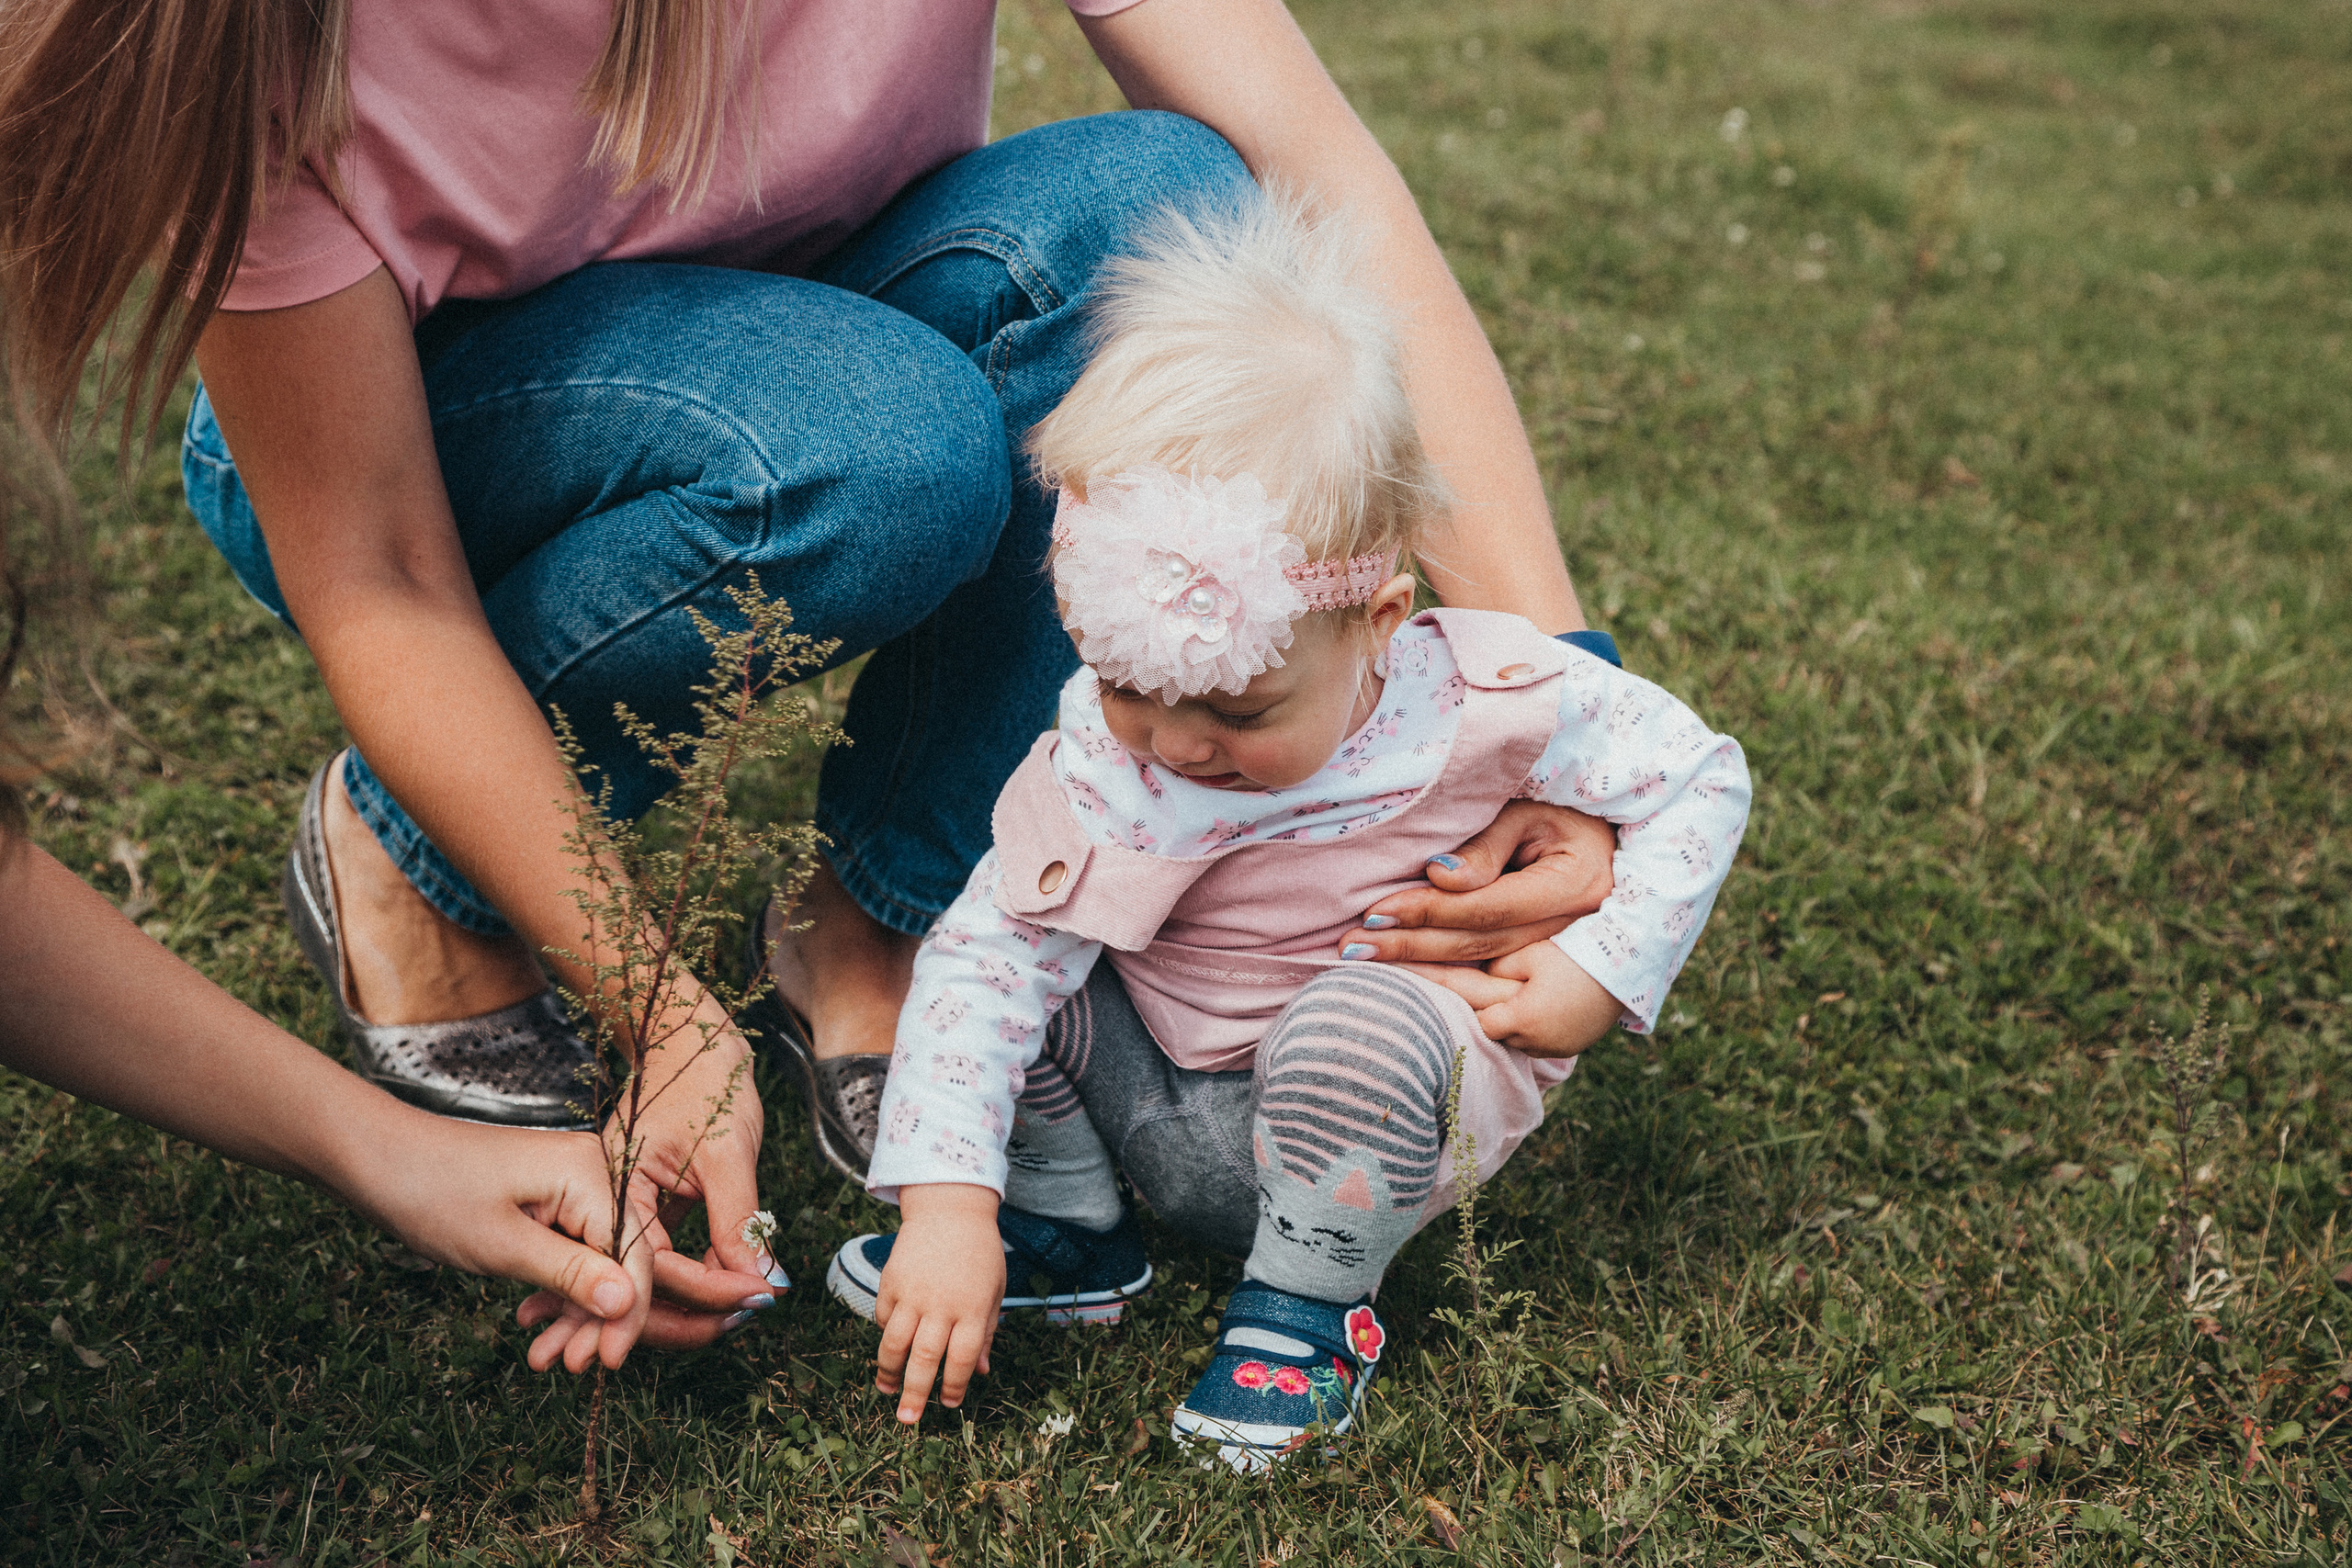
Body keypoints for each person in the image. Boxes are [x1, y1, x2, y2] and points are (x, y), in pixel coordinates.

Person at [1, 0, 1619, 1327]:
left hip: (831, 319)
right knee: (877, 451)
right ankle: (409, 850)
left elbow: (1318, 186)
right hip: (397, 425)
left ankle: (882, 918)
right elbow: (384, 579)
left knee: (1174, 204)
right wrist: (657, 1006)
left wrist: (1556, 712)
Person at [822, 194, 1752, 1470]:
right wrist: (948, 1206)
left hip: (1372, 1104)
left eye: (1239, 708)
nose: (1174, 743)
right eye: (1124, 682)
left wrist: (1603, 969)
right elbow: (989, 962)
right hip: (1162, 1083)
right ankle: (1065, 1232)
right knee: (1024, 962)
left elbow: (1699, 777)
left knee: (1356, 1022)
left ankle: (1306, 1311)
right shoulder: (1111, 748)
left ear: (1379, 623)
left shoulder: (1490, 700)